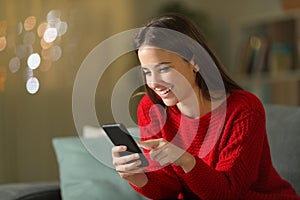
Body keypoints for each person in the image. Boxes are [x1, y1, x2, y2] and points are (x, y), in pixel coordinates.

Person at [111, 13, 299, 199]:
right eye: (146, 72)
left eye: (163, 68)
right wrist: (138, 178)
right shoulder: (151, 109)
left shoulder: (244, 109)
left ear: (194, 61)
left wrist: (184, 159)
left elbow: (228, 193)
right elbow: (167, 190)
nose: (154, 83)